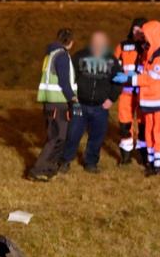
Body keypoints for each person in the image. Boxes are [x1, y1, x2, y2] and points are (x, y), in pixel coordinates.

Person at [114, 20, 160, 176]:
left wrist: (128, 79)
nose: (144, 39)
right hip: (151, 101)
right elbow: (143, 73)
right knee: (149, 133)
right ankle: (151, 163)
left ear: (153, 35)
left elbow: (150, 78)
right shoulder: (152, 51)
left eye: (146, 36)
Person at [59, 31, 123, 174]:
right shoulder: (79, 57)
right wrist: (72, 96)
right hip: (80, 104)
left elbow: (118, 81)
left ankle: (91, 162)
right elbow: (69, 76)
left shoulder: (112, 61)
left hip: (101, 107)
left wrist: (111, 98)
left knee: (97, 137)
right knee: (73, 134)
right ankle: (65, 160)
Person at [28, 28, 79, 182]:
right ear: (71, 43)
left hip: (51, 102)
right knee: (57, 138)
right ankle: (38, 170)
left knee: (56, 137)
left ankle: (49, 168)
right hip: (59, 103)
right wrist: (74, 99)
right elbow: (64, 82)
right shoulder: (62, 56)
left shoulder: (51, 54)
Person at [113, 18, 147, 165]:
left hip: (142, 92)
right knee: (125, 123)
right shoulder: (122, 46)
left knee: (143, 124)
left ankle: (143, 155)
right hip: (126, 91)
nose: (137, 33)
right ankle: (125, 156)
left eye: (140, 30)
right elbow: (113, 65)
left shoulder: (148, 47)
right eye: (134, 29)